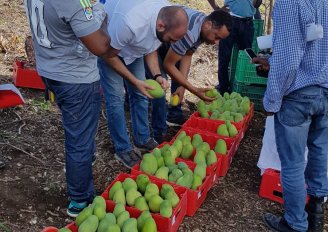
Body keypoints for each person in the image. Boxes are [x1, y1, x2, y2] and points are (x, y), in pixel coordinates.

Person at [24, 0, 152, 217]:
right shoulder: (76, 2)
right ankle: (80, 200)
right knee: (79, 142)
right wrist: (100, 14)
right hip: (75, 79)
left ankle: (78, 167)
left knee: (78, 133)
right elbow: (101, 47)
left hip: (50, 70)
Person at [252, 0, 328, 231]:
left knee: (293, 163)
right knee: (320, 152)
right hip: (325, 89)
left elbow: (288, 61)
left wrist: (271, 100)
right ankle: (315, 216)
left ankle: (295, 223)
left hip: (299, 94)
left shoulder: (290, 3)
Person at [98, 0, 188, 166]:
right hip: (110, 49)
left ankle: (142, 139)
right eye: (171, 39)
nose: (172, 43)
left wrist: (156, 75)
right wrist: (134, 81)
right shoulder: (130, 22)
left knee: (140, 94)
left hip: (133, 49)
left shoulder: (164, 14)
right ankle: (123, 149)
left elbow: (151, 46)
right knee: (116, 99)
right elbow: (109, 55)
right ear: (161, 26)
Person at [163, 9, 232, 127]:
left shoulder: (203, 27)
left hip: (170, 35)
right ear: (208, 24)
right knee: (159, 89)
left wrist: (182, 86)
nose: (216, 42)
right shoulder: (190, 33)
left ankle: (172, 117)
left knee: (177, 78)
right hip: (155, 38)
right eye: (216, 36)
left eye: (220, 39)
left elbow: (188, 54)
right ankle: (157, 133)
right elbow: (168, 64)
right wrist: (194, 90)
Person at [207, 0, 257, 95]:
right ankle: (223, 88)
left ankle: (242, 89)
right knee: (224, 58)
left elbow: (257, 4)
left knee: (247, 59)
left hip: (248, 22)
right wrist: (217, 9)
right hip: (230, 20)